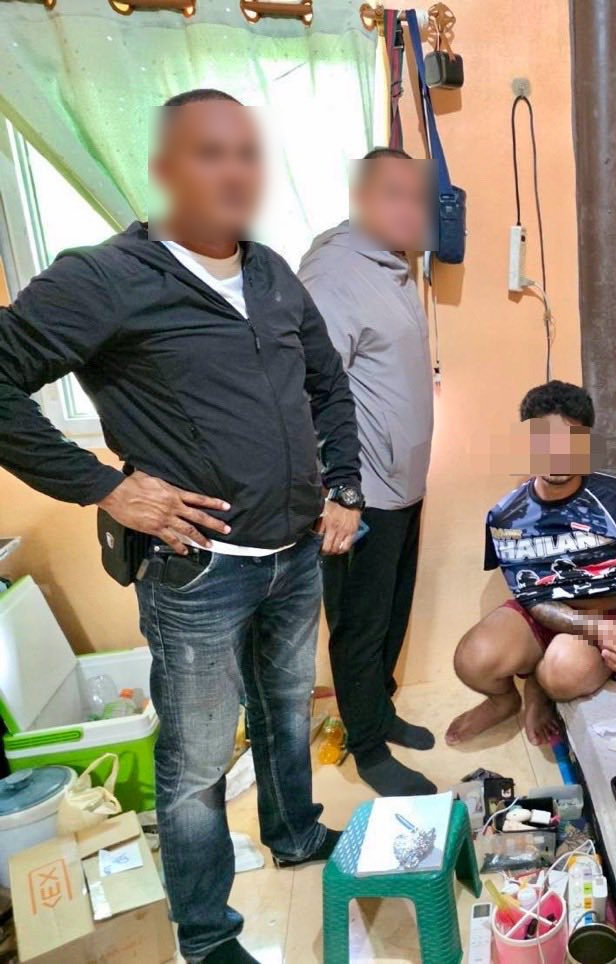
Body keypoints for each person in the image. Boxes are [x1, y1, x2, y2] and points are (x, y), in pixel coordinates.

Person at [0, 89, 363, 964]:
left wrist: (346, 488)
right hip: (198, 570)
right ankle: (205, 934)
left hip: (293, 554)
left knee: (286, 713)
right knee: (198, 763)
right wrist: (104, 487)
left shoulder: (271, 272)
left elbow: (328, 385)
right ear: (164, 168)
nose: (234, 171)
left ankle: (294, 832)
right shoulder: (104, 279)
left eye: (246, 153)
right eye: (209, 152)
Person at [299, 147, 437, 797]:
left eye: (417, 196)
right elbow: (310, 391)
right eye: (393, 194)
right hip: (362, 494)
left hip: (404, 486)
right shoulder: (334, 274)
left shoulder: (393, 266)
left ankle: (379, 714)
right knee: (358, 625)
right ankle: (367, 747)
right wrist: (339, 492)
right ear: (360, 197)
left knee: (389, 616)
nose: (410, 209)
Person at [446, 381, 616, 746]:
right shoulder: (506, 516)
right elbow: (531, 599)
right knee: (472, 660)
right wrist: (591, 629)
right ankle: (504, 701)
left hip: (610, 613)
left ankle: (539, 688)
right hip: (545, 612)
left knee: (561, 674)